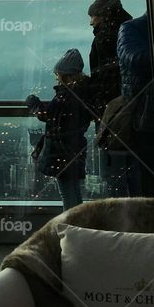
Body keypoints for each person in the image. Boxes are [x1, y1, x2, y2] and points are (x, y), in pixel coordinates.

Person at [25, 49, 93, 211]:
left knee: (68, 195)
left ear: (66, 75)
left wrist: (33, 103)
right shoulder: (83, 93)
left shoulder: (66, 96)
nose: (56, 77)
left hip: (62, 153)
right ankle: (77, 227)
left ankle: (72, 229)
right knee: (73, 193)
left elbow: (49, 115)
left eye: (58, 73)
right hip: (74, 150)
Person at [87, 0, 133, 196]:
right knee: (129, 171)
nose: (91, 22)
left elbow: (104, 75)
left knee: (113, 172)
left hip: (112, 109)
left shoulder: (106, 37)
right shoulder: (130, 32)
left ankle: (118, 217)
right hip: (127, 108)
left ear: (104, 15)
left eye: (94, 16)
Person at [116, 13, 154, 197]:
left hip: (148, 114)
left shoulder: (131, 29)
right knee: (150, 179)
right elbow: (135, 59)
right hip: (146, 116)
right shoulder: (132, 28)